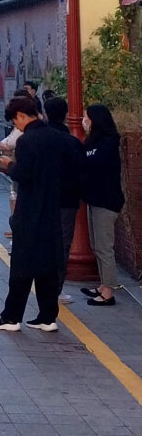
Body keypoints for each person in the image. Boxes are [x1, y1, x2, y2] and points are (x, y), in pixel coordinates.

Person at [0, 94, 66, 333]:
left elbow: (23, 174)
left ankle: (11, 317)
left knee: (21, 266)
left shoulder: (28, 141)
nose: (15, 125)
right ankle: (47, 317)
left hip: (30, 210)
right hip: (52, 209)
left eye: (15, 121)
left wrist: (9, 165)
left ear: (21, 116)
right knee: (48, 265)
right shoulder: (56, 137)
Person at [81, 103, 125, 307]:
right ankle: (102, 284)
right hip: (94, 198)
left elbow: (93, 162)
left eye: (87, 117)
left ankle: (108, 291)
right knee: (97, 245)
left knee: (105, 246)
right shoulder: (92, 140)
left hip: (107, 200)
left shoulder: (109, 141)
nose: (85, 121)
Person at [43, 96, 85, 303]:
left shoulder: (39, 139)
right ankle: (55, 289)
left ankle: (42, 285)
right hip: (66, 200)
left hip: (41, 200)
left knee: (43, 242)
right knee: (62, 245)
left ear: (46, 114)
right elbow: (81, 172)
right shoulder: (72, 142)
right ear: (66, 115)